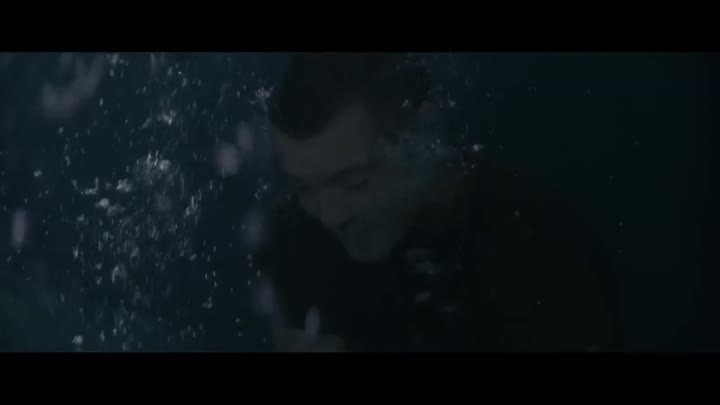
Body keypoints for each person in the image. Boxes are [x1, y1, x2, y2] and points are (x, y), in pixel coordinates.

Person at [252, 52, 622, 352]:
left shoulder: (540, 248)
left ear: (420, 136)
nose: (330, 216)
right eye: (304, 188)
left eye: (356, 182)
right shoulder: (297, 236)